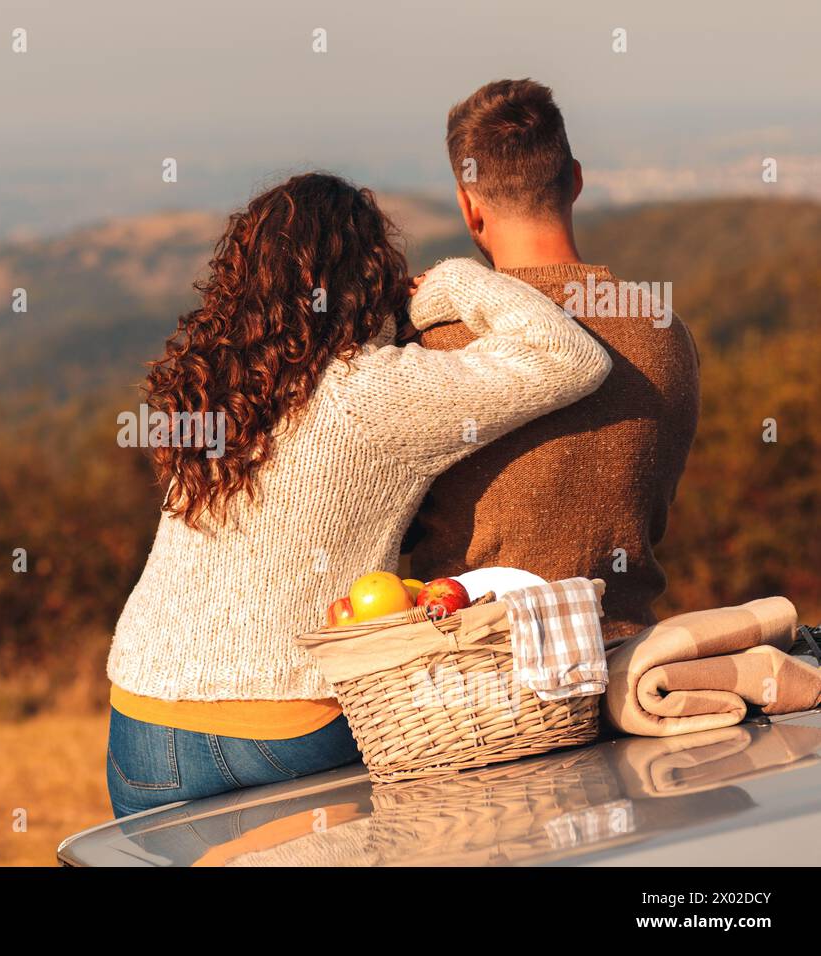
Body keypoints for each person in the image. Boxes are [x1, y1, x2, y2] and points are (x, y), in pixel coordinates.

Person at [104, 171, 612, 817]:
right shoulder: (371, 394)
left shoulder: (217, 388)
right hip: (285, 722)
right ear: (372, 275)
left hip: (141, 718)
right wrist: (453, 283)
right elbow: (568, 359)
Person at [401, 79, 701, 643]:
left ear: (469, 207)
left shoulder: (437, 342)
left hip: (476, 680)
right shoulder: (668, 332)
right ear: (576, 180)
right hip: (627, 656)